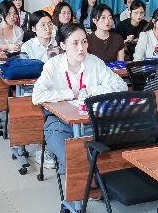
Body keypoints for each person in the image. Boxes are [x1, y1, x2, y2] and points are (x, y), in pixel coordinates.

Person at [32, 23, 127, 174]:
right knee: (75, 163)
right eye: (75, 43)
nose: (81, 48)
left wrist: (90, 91)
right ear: (63, 45)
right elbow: (37, 95)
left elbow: (121, 86)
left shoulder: (94, 61)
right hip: (59, 124)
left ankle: (81, 177)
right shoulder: (53, 65)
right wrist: (72, 93)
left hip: (93, 123)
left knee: (102, 162)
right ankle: (73, 174)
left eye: (84, 41)